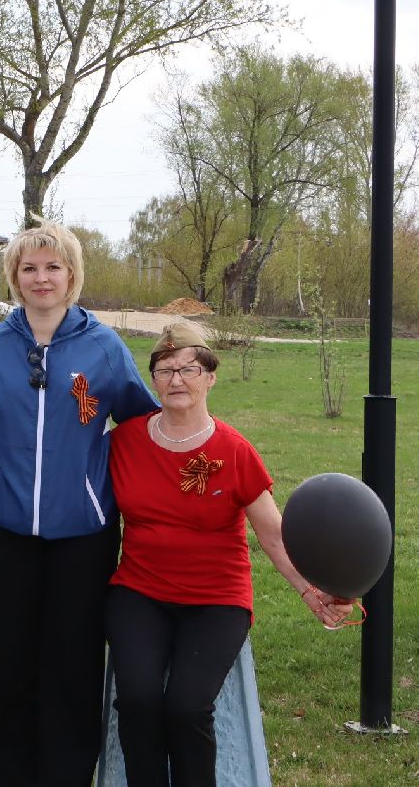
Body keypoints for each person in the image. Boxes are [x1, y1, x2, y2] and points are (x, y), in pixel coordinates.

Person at [0, 221, 156, 787]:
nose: (42, 278)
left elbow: (142, 422)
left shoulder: (104, 348)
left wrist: (184, 470)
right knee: (8, 665)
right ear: (15, 276)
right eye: (30, 268)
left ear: (71, 276)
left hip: (83, 534)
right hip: (5, 531)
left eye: (53, 267)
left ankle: (64, 775)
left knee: (72, 664)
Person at [106, 321, 352, 787]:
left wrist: (309, 589)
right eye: (165, 369)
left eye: (189, 369)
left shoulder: (235, 451)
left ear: (211, 377)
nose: (177, 379)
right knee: (137, 701)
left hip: (216, 600)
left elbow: (273, 535)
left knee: (186, 706)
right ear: (152, 379)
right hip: (140, 592)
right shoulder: (125, 442)